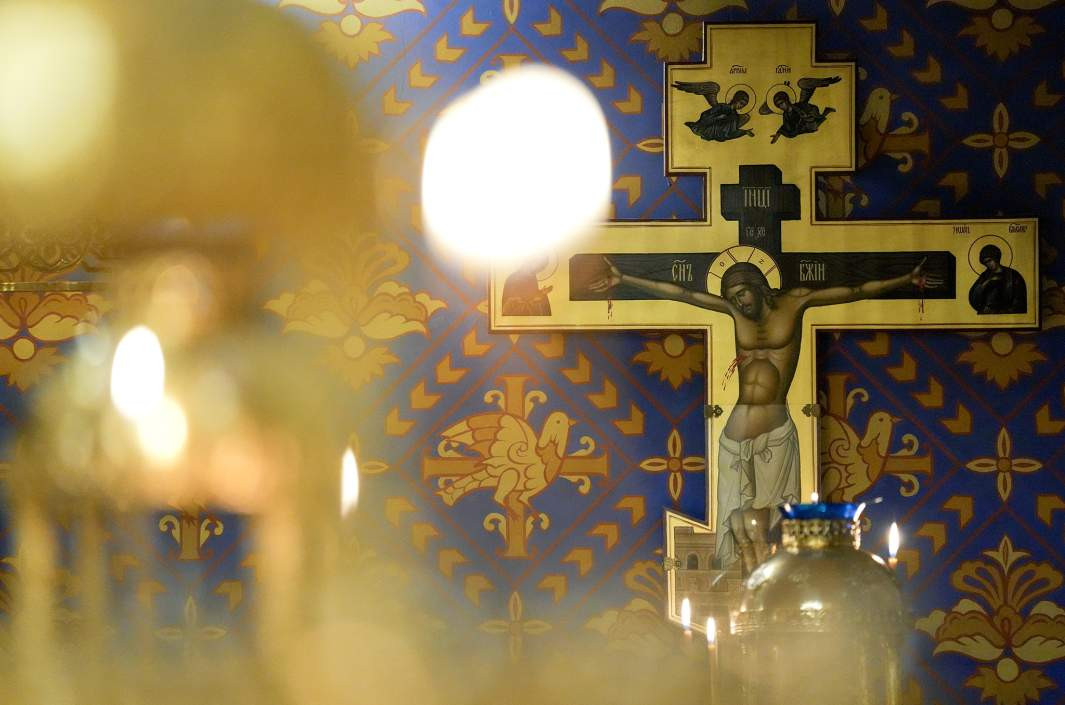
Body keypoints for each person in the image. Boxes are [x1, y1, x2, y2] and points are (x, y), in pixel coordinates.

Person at [588, 256, 937, 574]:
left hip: (776, 430)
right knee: (737, 523)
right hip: (735, 435)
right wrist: (625, 278)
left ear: (758, 286)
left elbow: (854, 291)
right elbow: (684, 294)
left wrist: (905, 279)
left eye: (742, 294)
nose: (739, 302)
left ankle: (768, 582)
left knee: (767, 521)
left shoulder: (795, 302)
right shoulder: (734, 311)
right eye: (733, 297)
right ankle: (749, 590)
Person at [761, 76, 841, 144]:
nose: (781, 106)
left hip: (810, 114)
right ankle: (826, 111)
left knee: (802, 83)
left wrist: (827, 81)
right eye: (778, 105)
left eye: (781, 103)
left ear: (786, 100)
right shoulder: (786, 114)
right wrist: (778, 134)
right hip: (803, 127)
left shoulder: (799, 105)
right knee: (813, 127)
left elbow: (804, 111)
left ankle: (825, 110)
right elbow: (785, 125)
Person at [673, 81, 754, 142]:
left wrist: (744, 132)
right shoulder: (722, 107)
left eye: (744, 105)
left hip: (716, 136)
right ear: (736, 99)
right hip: (704, 129)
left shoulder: (735, 117)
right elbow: (705, 115)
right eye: (741, 103)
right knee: (715, 87)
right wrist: (718, 118)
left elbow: (730, 133)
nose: (742, 106)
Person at [968, 244, 1026, 314]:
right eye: (985, 262)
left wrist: (1002, 311)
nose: (988, 264)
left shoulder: (1012, 275)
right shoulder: (984, 276)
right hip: (986, 314)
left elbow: (1020, 300)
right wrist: (986, 283)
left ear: (996, 258)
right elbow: (973, 296)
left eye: (989, 260)